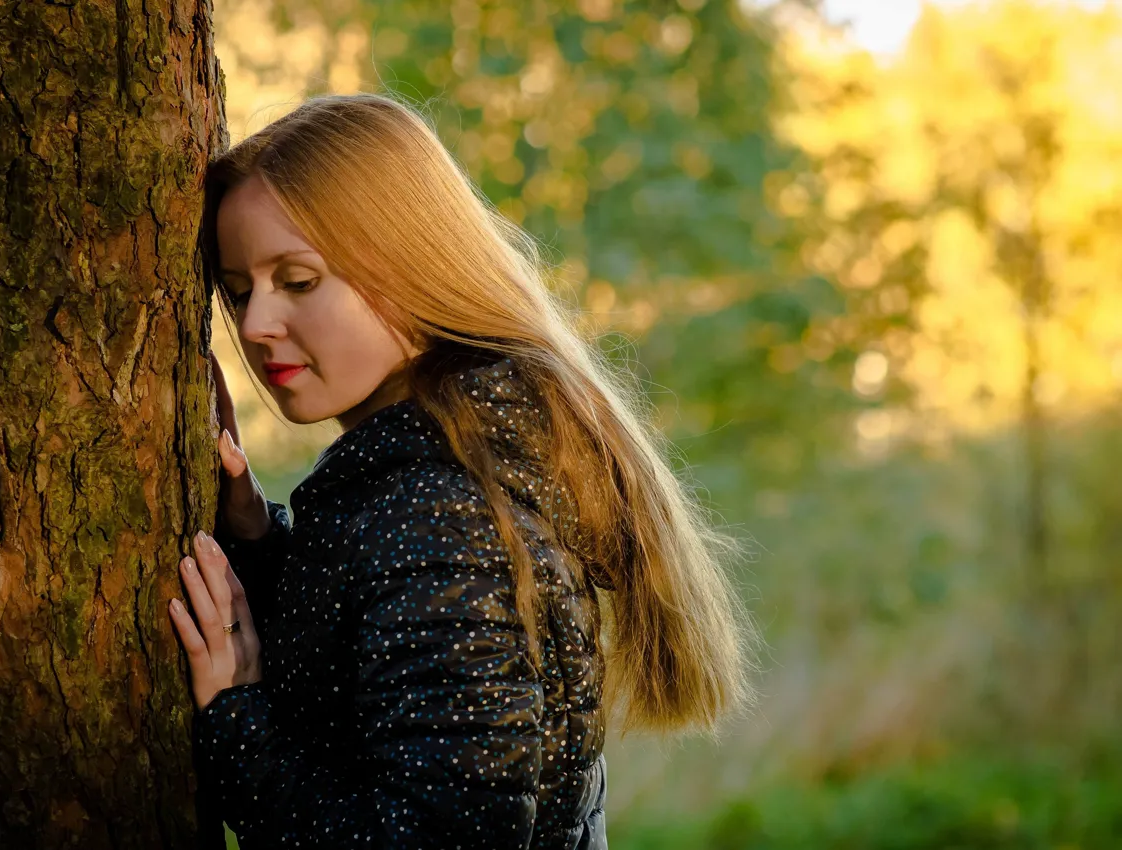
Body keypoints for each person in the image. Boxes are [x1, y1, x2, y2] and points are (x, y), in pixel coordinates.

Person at [167, 92, 751, 849]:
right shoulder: (442, 466)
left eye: (299, 281)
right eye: (240, 291)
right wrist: (252, 534)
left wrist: (237, 729)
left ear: (410, 265)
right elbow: (378, 657)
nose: (253, 326)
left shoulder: (440, 509)